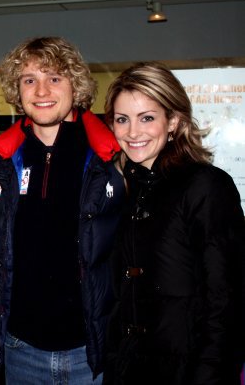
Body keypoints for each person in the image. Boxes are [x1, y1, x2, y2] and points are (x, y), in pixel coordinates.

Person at [0, 36, 124, 384]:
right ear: (18, 90)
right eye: (30, 80)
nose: (41, 90)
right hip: (19, 350)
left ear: (75, 85)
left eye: (54, 78)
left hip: (89, 355)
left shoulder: (112, 160)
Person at [102, 62, 245, 385]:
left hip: (188, 372)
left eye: (147, 118)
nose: (133, 132)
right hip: (130, 369)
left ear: (174, 122)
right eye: (122, 120)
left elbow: (225, 301)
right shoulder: (128, 186)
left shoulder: (205, 185)